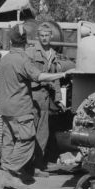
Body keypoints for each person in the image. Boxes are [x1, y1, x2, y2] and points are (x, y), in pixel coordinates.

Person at [0, 23, 77, 189]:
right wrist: (63, 74)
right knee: (27, 139)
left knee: (9, 141)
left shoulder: (5, 59)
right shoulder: (24, 59)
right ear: (26, 40)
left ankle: (9, 173)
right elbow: (39, 76)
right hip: (21, 107)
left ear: (11, 41)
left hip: (6, 107)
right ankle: (10, 173)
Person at [25, 22, 74, 176]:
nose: (44, 38)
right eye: (42, 36)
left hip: (46, 98)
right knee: (29, 132)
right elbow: (27, 75)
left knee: (43, 133)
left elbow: (56, 80)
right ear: (37, 37)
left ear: (51, 36)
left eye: (47, 36)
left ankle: (38, 165)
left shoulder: (52, 54)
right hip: (33, 96)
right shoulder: (31, 53)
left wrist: (59, 98)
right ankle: (27, 166)